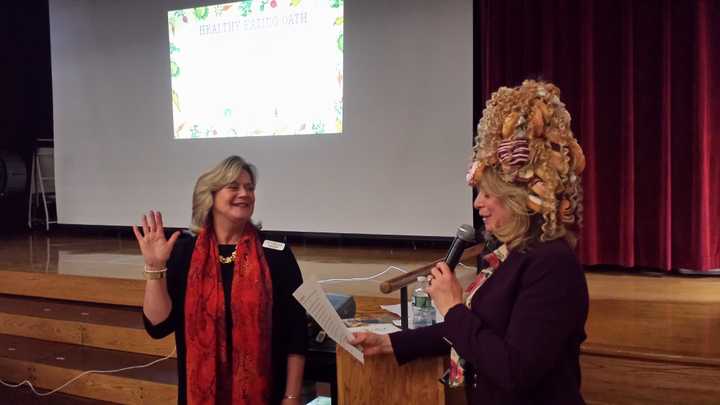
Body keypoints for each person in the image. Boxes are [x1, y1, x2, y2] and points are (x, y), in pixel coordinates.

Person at [350, 80, 589, 404]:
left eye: (488, 193)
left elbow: (513, 371)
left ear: (518, 199)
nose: (477, 203)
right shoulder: (512, 255)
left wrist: (452, 306)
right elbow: (476, 328)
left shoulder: (552, 265)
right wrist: (390, 343)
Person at [133, 156, 307, 405]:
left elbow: (296, 334)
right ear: (210, 195)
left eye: (249, 187)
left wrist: (291, 396)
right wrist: (155, 267)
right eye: (234, 187)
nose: (245, 193)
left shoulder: (276, 255)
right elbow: (158, 325)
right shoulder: (184, 253)